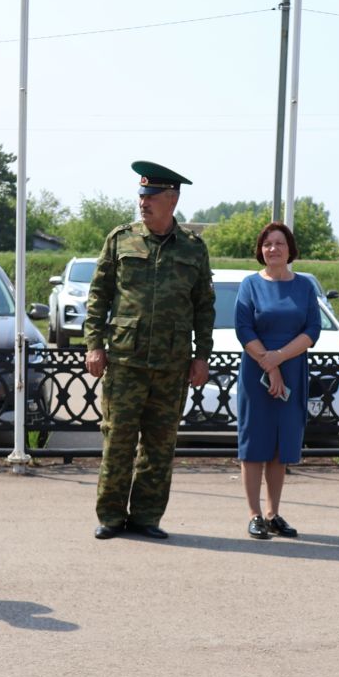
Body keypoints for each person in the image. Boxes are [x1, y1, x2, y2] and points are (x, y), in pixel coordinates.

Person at [84, 160, 215, 540]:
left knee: (160, 446)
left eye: (152, 196)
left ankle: (146, 517)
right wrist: (94, 345)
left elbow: (204, 306)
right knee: (118, 441)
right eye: (141, 195)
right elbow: (99, 297)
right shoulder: (121, 239)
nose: (144, 202)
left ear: (171, 199)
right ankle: (110, 516)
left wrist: (201, 355)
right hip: (125, 359)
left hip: (172, 363)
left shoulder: (193, 248)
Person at [234, 221, 322, 538]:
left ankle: (273, 514)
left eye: (279, 243)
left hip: (293, 369)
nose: (273, 249)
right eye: (267, 243)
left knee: (280, 446)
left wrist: (280, 358)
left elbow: (313, 330)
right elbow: (244, 328)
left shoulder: (304, 286)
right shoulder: (249, 285)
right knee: (254, 443)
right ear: (261, 250)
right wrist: (269, 365)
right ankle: (255, 514)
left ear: (290, 250)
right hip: (256, 371)